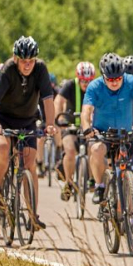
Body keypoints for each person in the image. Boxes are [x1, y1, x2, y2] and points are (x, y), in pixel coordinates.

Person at [0, 36, 57, 227]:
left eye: (31, 61)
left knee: (29, 163)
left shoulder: (40, 69)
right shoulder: (8, 69)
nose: (27, 65)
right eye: (24, 61)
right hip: (3, 119)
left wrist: (50, 123)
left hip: (28, 121)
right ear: (15, 58)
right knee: (1, 147)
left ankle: (33, 215)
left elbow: (48, 98)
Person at [80, 53, 133, 204]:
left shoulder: (131, 82)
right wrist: (86, 128)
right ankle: (100, 185)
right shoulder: (94, 87)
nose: (115, 82)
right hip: (103, 134)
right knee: (96, 150)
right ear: (103, 76)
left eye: (118, 78)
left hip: (126, 134)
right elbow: (86, 111)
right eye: (110, 79)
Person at [55, 62, 97, 200]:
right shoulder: (69, 85)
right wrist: (59, 120)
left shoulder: (97, 87)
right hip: (71, 124)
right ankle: (68, 182)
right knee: (70, 150)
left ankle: (92, 179)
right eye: (83, 81)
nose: (85, 84)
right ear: (78, 78)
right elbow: (58, 101)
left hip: (89, 126)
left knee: (94, 148)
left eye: (89, 81)